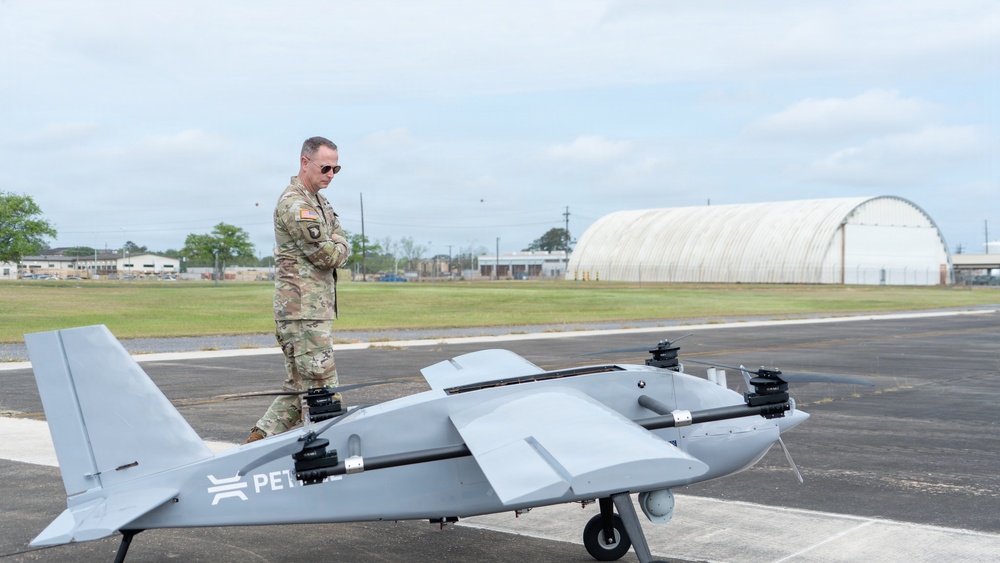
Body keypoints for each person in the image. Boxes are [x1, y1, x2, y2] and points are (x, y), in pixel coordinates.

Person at [244, 136, 351, 444]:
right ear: (305, 163)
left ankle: (253, 445)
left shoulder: (318, 200)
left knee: (298, 389)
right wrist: (340, 244)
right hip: (303, 314)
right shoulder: (297, 205)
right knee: (322, 392)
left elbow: (336, 237)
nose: (331, 174)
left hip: (310, 312)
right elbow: (329, 255)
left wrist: (337, 240)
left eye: (336, 168)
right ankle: (330, 452)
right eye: (325, 167)